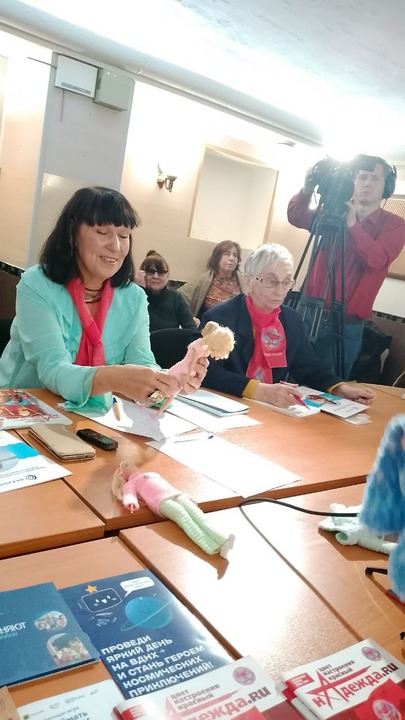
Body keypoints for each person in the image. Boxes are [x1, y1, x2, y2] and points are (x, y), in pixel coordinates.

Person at [0, 187, 206, 412]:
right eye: (102, 232)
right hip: (21, 410)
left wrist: (171, 380)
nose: (116, 247)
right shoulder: (38, 284)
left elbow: (142, 363)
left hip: (91, 417)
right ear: (72, 233)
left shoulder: (133, 297)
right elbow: (52, 369)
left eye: (124, 236)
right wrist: (115, 378)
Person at [200, 243, 375, 408]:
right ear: (248, 281)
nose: (280, 291)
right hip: (228, 405)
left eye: (286, 282)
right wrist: (258, 390)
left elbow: (308, 366)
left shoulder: (290, 320)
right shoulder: (219, 317)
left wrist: (340, 388)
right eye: (271, 281)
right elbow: (206, 371)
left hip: (272, 410)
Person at [287, 154, 405, 379]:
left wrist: (351, 223)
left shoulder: (395, 225)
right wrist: (306, 189)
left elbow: (377, 260)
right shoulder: (333, 211)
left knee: (328, 389)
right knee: (288, 380)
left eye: (375, 178)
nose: (367, 183)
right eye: (362, 177)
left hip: (346, 324)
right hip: (308, 313)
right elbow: (296, 216)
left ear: (387, 187)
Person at [177, 240, 244, 321]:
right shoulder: (205, 280)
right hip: (208, 325)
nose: (231, 258)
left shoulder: (244, 283)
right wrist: (190, 319)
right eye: (227, 254)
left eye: (235, 255)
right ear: (217, 257)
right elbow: (177, 298)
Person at [136, 250, 196, 332]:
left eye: (161, 272)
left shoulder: (175, 298)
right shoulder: (135, 297)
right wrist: (140, 290)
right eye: (150, 271)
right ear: (142, 274)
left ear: (167, 276)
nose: (156, 276)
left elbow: (191, 329)